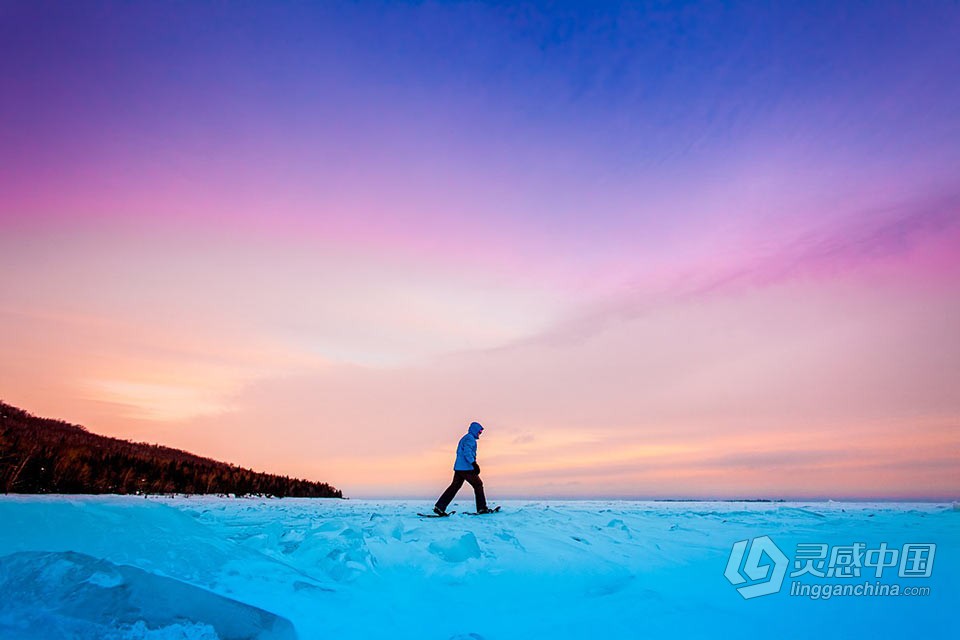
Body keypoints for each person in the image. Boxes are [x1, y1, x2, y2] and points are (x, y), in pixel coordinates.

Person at [434, 421, 494, 515]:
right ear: (474, 430)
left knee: (454, 487)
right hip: (466, 468)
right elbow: (467, 452)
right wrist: (474, 463)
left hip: (459, 467)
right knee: (478, 484)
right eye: (479, 431)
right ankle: (482, 508)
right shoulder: (470, 439)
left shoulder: (466, 438)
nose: (480, 433)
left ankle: (440, 507)